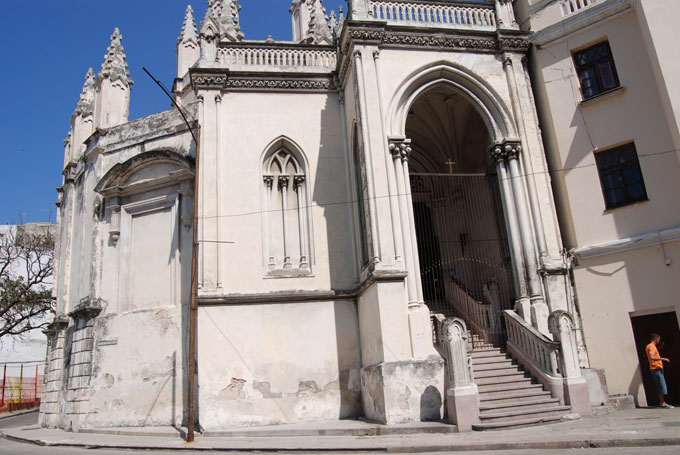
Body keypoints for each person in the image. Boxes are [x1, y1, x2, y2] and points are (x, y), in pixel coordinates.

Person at [646, 333, 673, 408]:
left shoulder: (651, 346)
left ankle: (662, 402)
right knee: (661, 385)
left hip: (656, 368)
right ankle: (662, 403)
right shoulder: (651, 346)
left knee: (660, 385)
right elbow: (652, 357)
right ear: (656, 339)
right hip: (656, 368)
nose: (659, 341)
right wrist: (663, 359)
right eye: (659, 339)